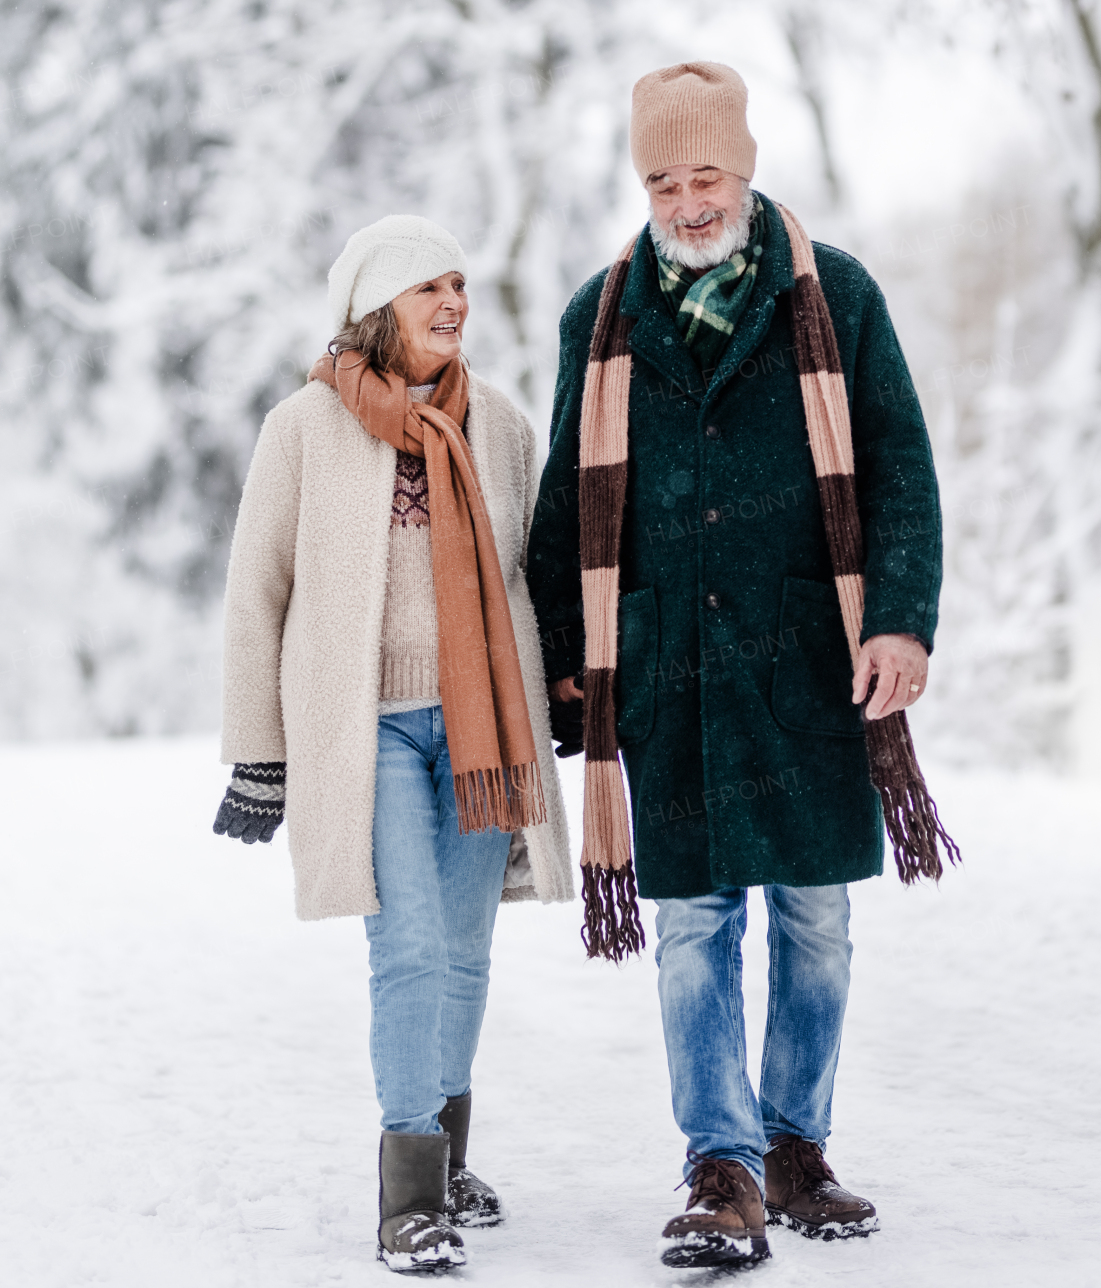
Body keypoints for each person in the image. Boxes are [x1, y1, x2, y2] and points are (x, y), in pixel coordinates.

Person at [528, 62, 955, 1269]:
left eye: (704, 172)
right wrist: (567, 657)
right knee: (691, 928)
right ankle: (718, 1166)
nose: (686, 198)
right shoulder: (596, 318)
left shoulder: (837, 297)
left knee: (812, 920)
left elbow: (899, 469)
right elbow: (566, 496)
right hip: (666, 672)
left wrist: (901, 621)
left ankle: (792, 1150)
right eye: (662, 177)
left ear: (745, 167)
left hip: (808, 666)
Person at [215, 213, 572, 1274]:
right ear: (376, 307)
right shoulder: (303, 429)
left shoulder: (498, 425)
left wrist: (573, 695)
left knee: (464, 954)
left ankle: (446, 1161)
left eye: (460, 284)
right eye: (431, 288)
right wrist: (257, 751)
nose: (455, 303)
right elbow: (255, 595)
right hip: (360, 728)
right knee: (409, 949)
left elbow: (530, 578)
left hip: (479, 729)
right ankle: (407, 1195)